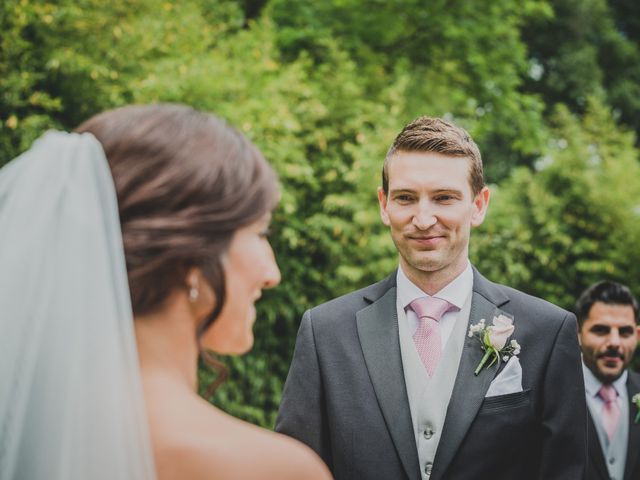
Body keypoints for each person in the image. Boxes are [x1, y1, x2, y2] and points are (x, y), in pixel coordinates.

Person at [0, 104, 332, 480]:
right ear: (191, 259)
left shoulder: (24, 436)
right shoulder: (274, 470)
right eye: (259, 233)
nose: (273, 274)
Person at [276, 116, 587, 480]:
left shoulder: (548, 332)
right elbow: (293, 469)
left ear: (479, 205)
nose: (423, 219)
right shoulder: (325, 332)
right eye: (406, 198)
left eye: (444, 198)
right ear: (383, 204)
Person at [576, 281, 640, 480]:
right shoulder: (552, 395)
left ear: (637, 335)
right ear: (577, 332)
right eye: (601, 330)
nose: (614, 342)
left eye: (625, 332)